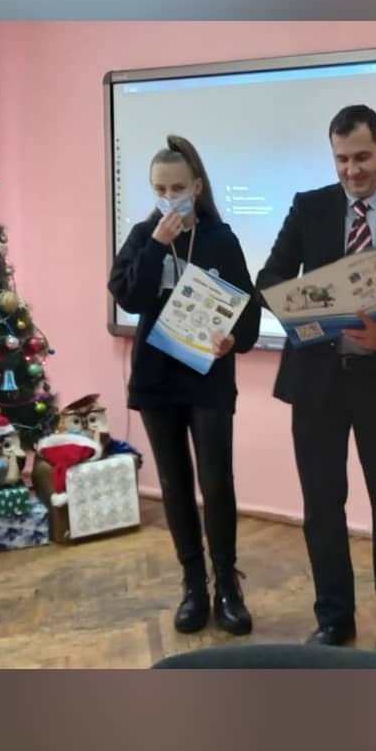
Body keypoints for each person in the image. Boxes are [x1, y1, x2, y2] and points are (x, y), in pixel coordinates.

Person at [256, 104, 376, 646]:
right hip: (316, 381)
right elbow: (270, 278)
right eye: (341, 159)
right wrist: (307, 305)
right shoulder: (309, 207)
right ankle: (334, 615)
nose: (352, 170)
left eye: (362, 157)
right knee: (322, 503)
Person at [108, 135, 261, 635]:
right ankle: (193, 585)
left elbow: (249, 311)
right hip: (157, 379)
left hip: (208, 378)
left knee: (216, 481)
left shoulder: (221, 239)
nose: (169, 197)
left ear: (196, 187)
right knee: (174, 483)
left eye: (177, 188)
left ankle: (227, 586)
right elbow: (129, 297)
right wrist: (155, 244)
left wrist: (232, 340)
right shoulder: (143, 236)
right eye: (159, 189)